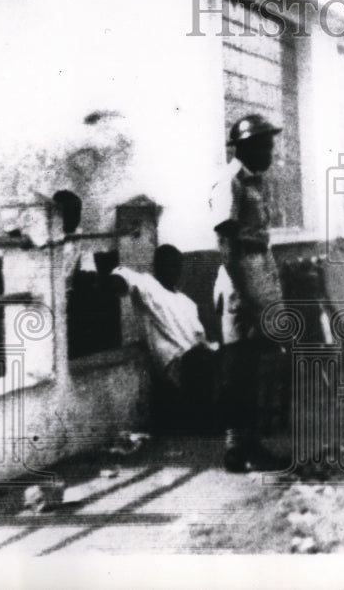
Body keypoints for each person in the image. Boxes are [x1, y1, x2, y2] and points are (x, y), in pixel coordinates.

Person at [210, 113, 286, 472]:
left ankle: (250, 445)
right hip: (240, 278)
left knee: (255, 365)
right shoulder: (230, 182)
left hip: (259, 271)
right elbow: (228, 246)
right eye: (265, 146)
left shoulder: (255, 181)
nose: (270, 153)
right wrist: (248, 295)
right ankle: (236, 448)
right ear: (246, 147)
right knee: (238, 367)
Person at [109, 244, 220, 433]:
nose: (173, 271)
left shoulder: (187, 302)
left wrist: (213, 348)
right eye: (168, 265)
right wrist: (113, 281)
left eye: (177, 266)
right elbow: (125, 277)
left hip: (196, 357)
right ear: (157, 267)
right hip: (174, 363)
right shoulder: (148, 286)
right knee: (198, 361)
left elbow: (200, 336)